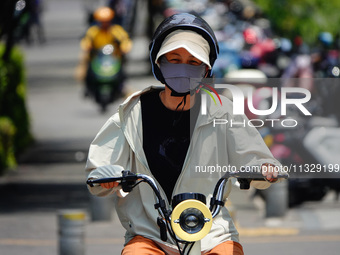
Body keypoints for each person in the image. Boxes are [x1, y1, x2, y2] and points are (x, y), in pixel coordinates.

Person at [86, 13, 282, 255]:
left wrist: (265, 167)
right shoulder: (132, 112)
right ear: (158, 62)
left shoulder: (223, 111)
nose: (183, 68)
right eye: (174, 59)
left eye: (193, 62)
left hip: (212, 233)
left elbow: (255, 156)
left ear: (207, 68)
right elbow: (99, 169)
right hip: (149, 235)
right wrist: (108, 177)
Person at [75, 6, 132, 95]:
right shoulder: (93, 31)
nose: (105, 23)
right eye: (102, 21)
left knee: (122, 73)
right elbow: (86, 40)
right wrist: (88, 46)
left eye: (107, 21)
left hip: (114, 58)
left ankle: (121, 88)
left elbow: (125, 40)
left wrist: (124, 48)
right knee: (88, 72)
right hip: (97, 58)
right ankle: (88, 88)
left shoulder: (116, 30)